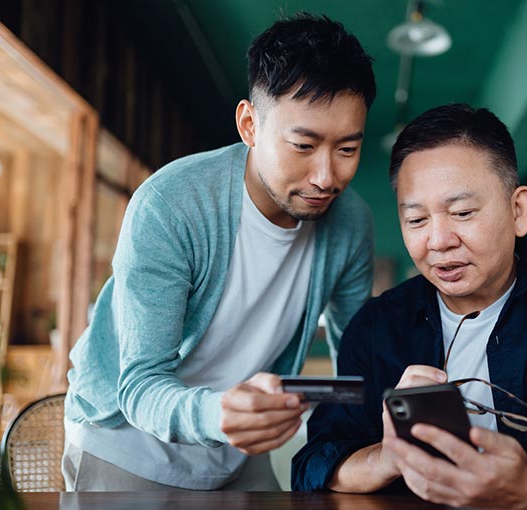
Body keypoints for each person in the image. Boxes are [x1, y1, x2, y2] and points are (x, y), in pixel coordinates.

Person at [292, 104, 527, 508]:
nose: (439, 241)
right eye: (417, 220)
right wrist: (389, 457)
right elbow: (313, 464)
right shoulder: (375, 328)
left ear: (518, 211)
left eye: (462, 213)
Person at [62, 14, 376, 491]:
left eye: (348, 149)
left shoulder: (351, 224)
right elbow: (139, 384)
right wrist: (218, 413)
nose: (326, 176)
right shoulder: (171, 204)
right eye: (303, 145)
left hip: (238, 451)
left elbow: (356, 359)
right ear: (249, 124)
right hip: (124, 442)